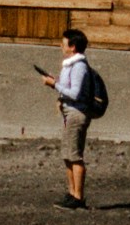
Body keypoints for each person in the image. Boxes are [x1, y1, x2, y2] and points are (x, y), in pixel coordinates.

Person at [41, 24, 104, 205]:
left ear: (72, 47)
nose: (61, 46)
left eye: (64, 44)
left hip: (77, 113)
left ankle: (78, 197)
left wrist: (54, 85)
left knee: (75, 155)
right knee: (67, 155)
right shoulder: (71, 66)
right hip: (70, 113)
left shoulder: (79, 67)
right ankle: (72, 193)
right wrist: (58, 84)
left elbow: (75, 93)